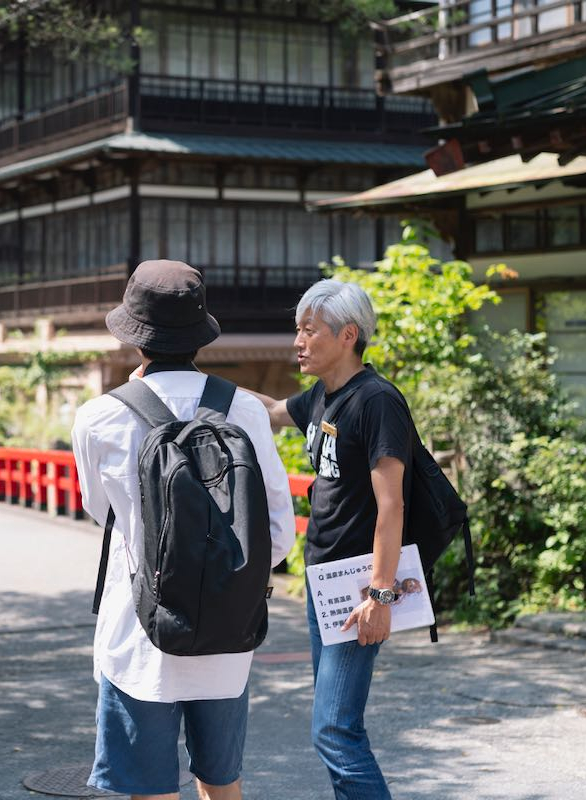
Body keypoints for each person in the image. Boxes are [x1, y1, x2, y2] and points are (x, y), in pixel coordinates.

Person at [72, 260, 296, 800]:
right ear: (200, 333)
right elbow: (278, 531)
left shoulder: (99, 417)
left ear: (133, 337)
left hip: (140, 632)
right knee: (222, 782)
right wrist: (222, 578)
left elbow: (100, 511)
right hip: (227, 634)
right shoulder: (244, 408)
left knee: (150, 789)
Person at [247, 279, 413, 800]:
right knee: (340, 727)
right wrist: (199, 383)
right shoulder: (323, 395)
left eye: (308, 330)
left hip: (356, 588)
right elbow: (273, 412)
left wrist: (380, 594)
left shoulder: (377, 400)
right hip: (323, 585)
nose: (298, 340)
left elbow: (392, 504)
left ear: (347, 335)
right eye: (297, 328)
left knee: (334, 731)